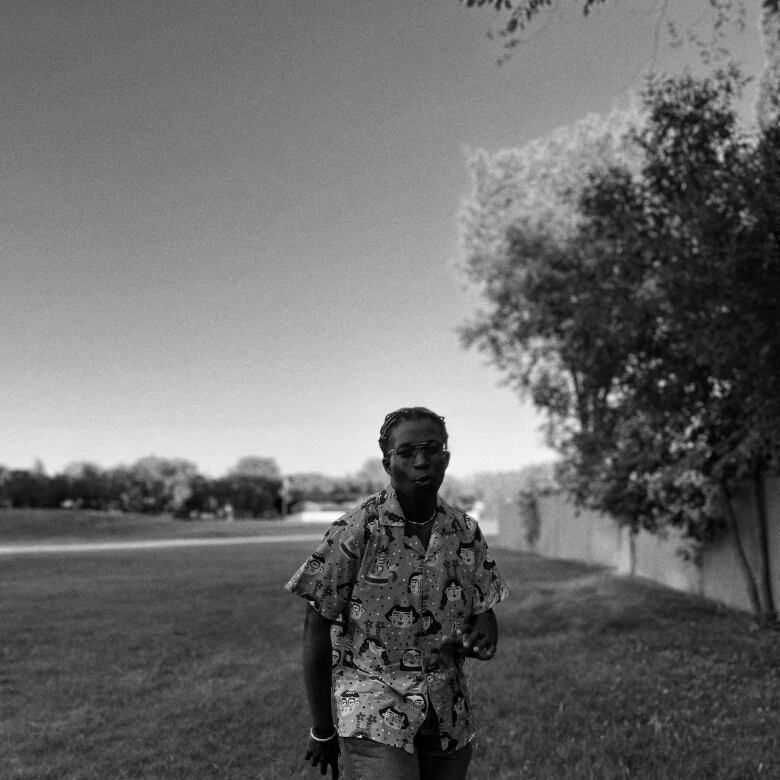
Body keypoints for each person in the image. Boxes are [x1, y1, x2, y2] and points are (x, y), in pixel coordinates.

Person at [285, 407, 509, 780]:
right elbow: (316, 623)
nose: (421, 462)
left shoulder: (465, 530)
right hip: (373, 703)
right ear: (388, 464)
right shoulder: (357, 529)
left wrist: (484, 635)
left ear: (446, 458)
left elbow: (483, 609)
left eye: (432, 449)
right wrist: (322, 726)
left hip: (447, 710)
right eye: (406, 453)